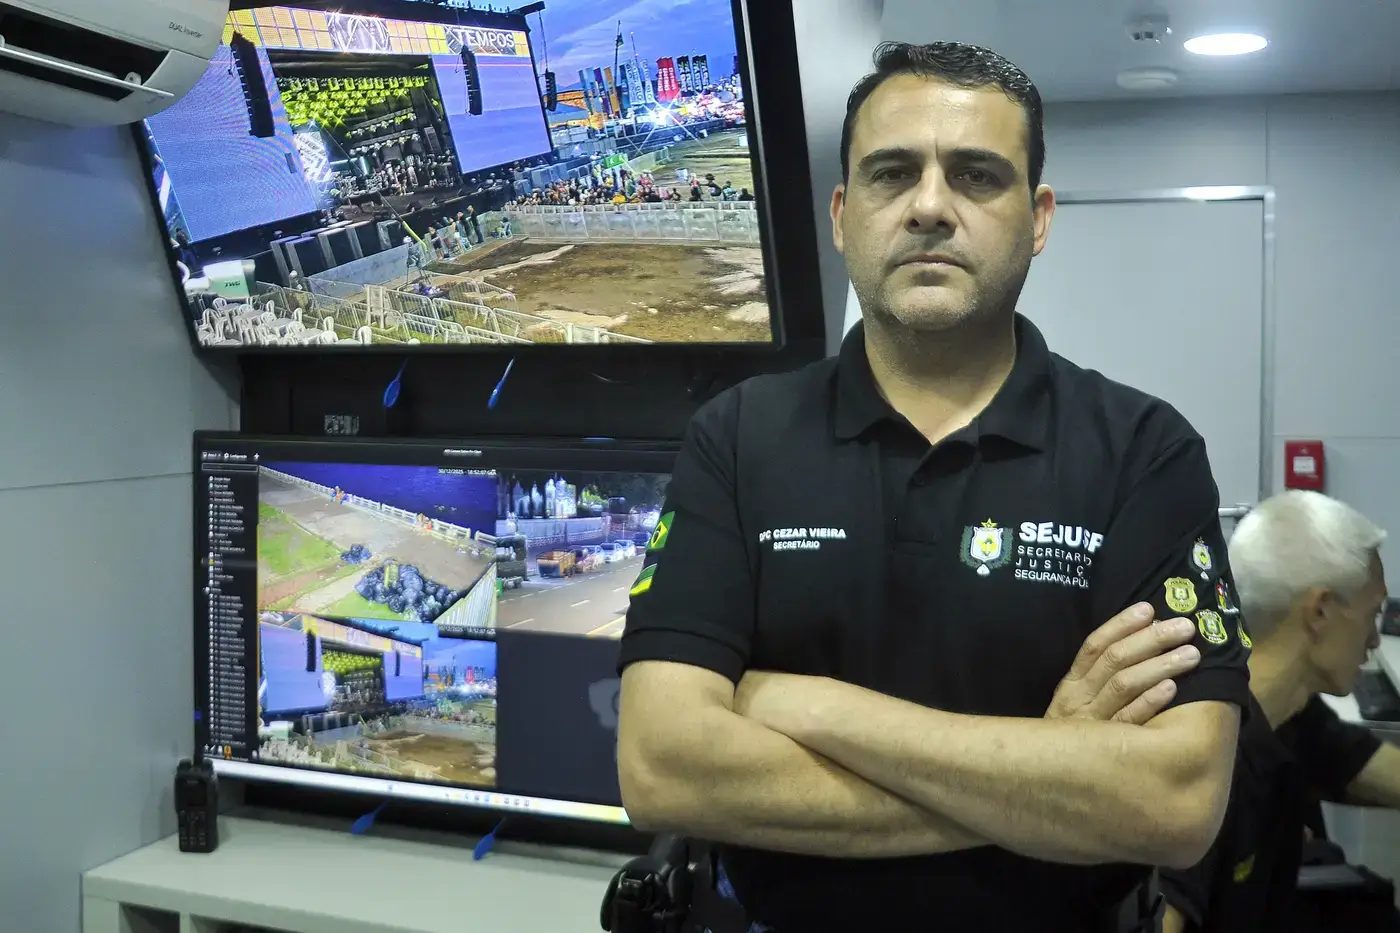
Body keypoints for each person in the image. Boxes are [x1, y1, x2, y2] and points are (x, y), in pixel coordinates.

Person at [617, 40, 1250, 932]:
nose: (928, 207)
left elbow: (1175, 805)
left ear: (1038, 218)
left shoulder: (1144, 453)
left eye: (976, 176)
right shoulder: (738, 437)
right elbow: (662, 767)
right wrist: (1048, 771)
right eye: (891, 173)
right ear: (843, 216)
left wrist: (813, 705)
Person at [1160, 491, 1391, 933]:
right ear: (1320, 611)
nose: (1375, 640)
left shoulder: (1291, 714)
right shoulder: (1207, 758)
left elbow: (1370, 768)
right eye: (1372, 613)